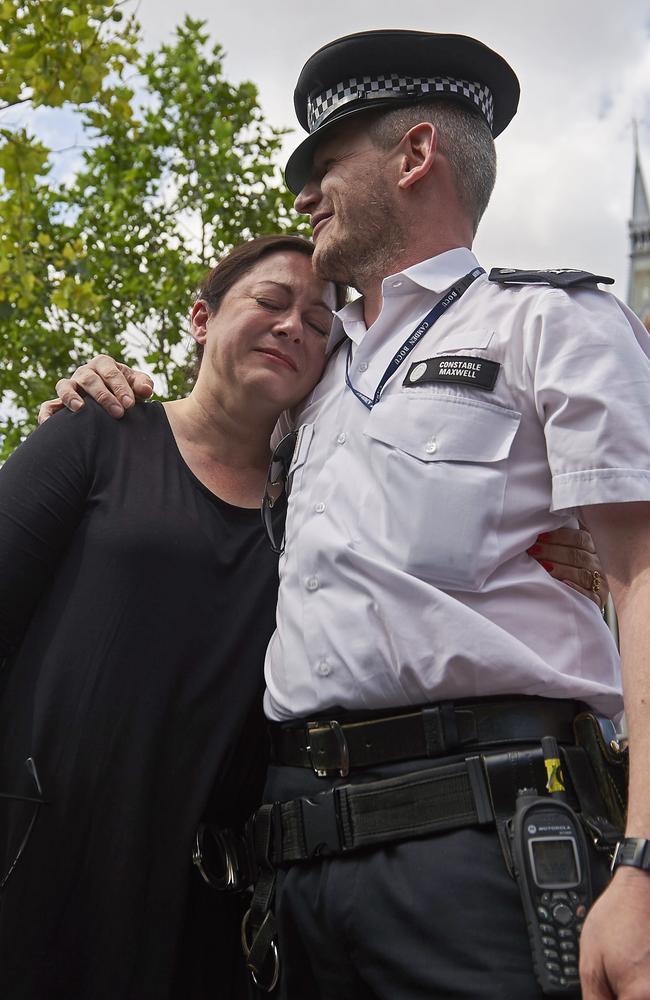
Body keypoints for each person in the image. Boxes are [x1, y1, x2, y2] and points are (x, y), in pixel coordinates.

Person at [40, 30, 647, 1000]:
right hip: (290, 883)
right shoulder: (310, 388)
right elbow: (204, 483)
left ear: (412, 156)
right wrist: (105, 394)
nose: (301, 195)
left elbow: (639, 578)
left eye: (323, 162)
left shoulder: (548, 324)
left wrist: (642, 858)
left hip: (478, 863)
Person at [0, 234, 343, 1000]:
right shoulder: (97, 430)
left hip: (202, 901)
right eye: (273, 301)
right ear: (200, 317)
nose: (296, 327)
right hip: (37, 855)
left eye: (321, 323)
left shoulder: (314, 512)